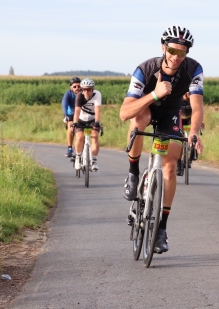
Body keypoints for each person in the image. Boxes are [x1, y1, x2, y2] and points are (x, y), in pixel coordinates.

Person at [119, 25, 204, 254]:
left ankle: (162, 229)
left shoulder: (193, 69)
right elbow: (124, 113)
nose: (176, 57)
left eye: (182, 53)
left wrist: (194, 131)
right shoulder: (145, 69)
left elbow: (196, 107)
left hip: (171, 115)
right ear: (163, 48)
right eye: (172, 51)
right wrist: (155, 94)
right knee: (137, 122)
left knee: (169, 167)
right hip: (147, 107)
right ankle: (133, 173)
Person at [73, 78, 102, 172]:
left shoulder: (97, 94)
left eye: (88, 89)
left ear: (92, 89)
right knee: (80, 137)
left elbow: (97, 109)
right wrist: (75, 123)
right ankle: (78, 157)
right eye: (84, 89)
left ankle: (94, 161)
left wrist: (97, 122)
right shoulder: (79, 96)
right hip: (81, 120)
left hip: (92, 120)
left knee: (94, 136)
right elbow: (77, 111)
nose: (86, 91)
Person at [62, 77, 81, 158]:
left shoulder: (85, 92)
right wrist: (65, 115)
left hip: (82, 114)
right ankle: (69, 148)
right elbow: (64, 104)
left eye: (79, 86)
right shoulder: (68, 94)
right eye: (75, 86)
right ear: (71, 88)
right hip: (71, 114)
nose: (77, 88)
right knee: (71, 128)